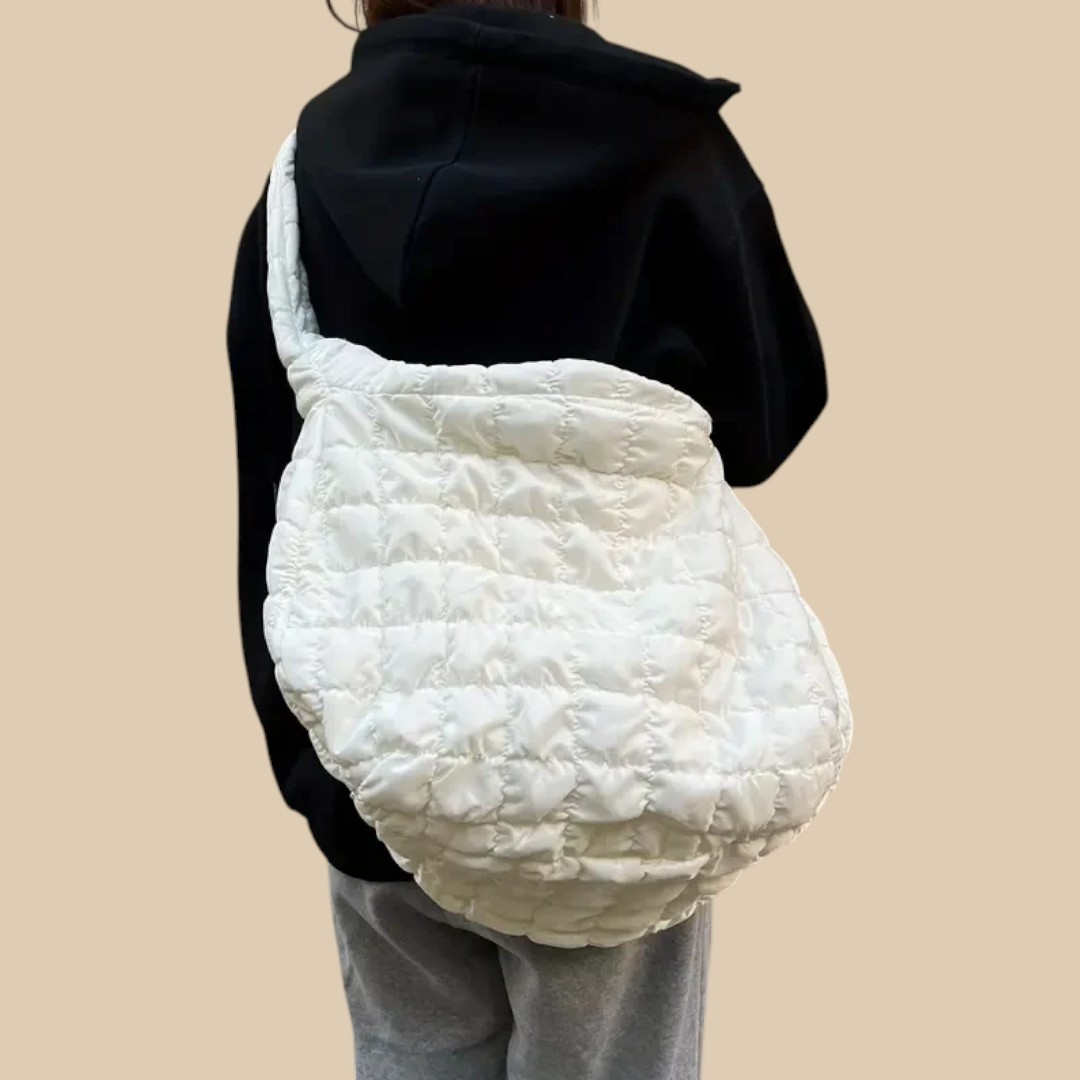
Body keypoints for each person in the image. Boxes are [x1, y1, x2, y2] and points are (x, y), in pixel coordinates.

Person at [227, 2, 829, 1077]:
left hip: (377, 762)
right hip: (615, 782)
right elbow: (764, 425)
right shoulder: (670, 149)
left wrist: (318, 774)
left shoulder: (302, 179)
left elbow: (273, 480)